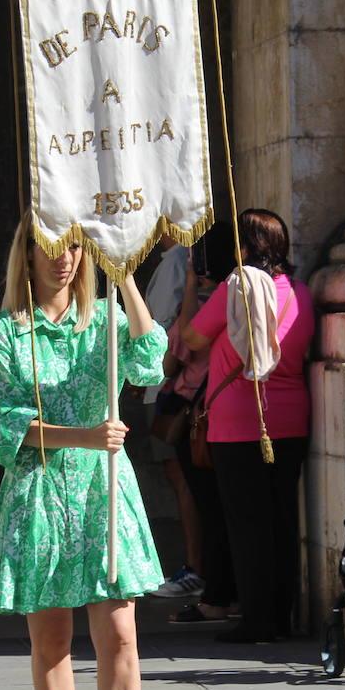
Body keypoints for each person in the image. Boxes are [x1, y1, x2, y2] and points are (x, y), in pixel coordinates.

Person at [0, 219, 168, 690]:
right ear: (25, 255)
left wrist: (127, 278)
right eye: (51, 248)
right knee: (52, 637)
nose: (64, 259)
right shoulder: (3, 333)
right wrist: (84, 435)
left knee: (120, 632)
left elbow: (149, 363)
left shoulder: (104, 320)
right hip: (39, 492)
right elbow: (3, 422)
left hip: (103, 492)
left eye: (75, 248)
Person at [182, 209, 315, 643]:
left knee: (246, 524)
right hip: (292, 417)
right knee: (280, 520)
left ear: (245, 247)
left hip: (240, 419)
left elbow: (193, 339)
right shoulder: (300, 292)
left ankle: (256, 620)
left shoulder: (236, 288)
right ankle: (281, 614)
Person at [167, 225, 240, 624]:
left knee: (210, 509)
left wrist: (191, 288)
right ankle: (229, 591)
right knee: (227, 509)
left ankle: (216, 594)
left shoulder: (206, 302)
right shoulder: (240, 297)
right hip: (227, 412)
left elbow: (173, 355)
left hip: (199, 417)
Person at [143, 234, 204, 599]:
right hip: (163, 382)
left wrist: (150, 370)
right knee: (179, 476)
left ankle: (196, 567)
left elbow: (163, 328)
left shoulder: (178, 259)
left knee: (183, 477)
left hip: (170, 385)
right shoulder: (173, 259)